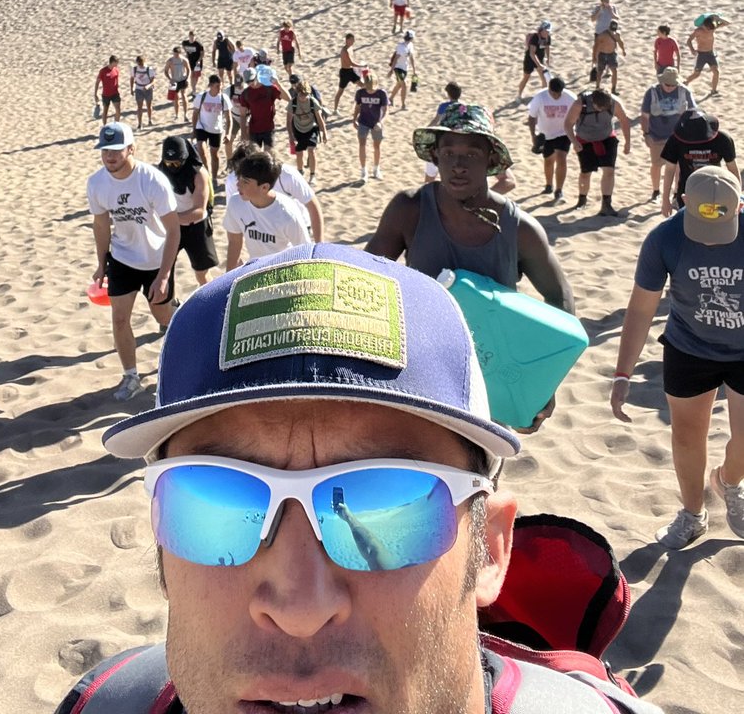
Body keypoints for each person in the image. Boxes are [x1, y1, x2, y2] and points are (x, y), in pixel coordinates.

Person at [57, 245, 659, 714]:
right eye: (214, 501)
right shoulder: (101, 702)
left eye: (386, 504)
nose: (299, 606)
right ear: (161, 539)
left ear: (490, 552)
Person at [367, 105, 574, 430]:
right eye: (448, 153)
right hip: (420, 373)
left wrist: (543, 382)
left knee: (483, 475)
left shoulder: (520, 230)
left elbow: (559, 297)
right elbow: (367, 281)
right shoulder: (409, 210)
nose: (458, 166)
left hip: (490, 378)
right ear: (435, 157)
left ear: (491, 161)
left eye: (471, 155)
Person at [611, 167, 744, 548]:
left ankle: (728, 481)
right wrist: (623, 374)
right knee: (687, 436)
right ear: (683, 203)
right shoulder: (663, 239)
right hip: (689, 347)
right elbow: (640, 310)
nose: (714, 244)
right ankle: (692, 513)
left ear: (740, 205)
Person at [87, 122, 181, 399]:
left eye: (116, 150)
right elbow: (101, 225)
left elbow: (174, 230)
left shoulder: (152, 180)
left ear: (131, 149)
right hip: (122, 258)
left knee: (162, 316)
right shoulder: (97, 183)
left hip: (156, 259)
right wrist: (101, 263)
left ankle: (179, 312)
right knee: (119, 319)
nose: (110, 157)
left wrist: (164, 276)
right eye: (105, 151)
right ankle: (131, 377)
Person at [223, 149, 311, 269]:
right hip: (256, 269)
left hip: (284, 270)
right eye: (239, 179)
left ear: (264, 187)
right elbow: (234, 243)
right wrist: (229, 280)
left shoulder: (288, 213)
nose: (238, 185)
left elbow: (305, 253)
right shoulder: (235, 203)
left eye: (245, 182)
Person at [227, 142, 324, 243]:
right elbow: (233, 220)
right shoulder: (233, 181)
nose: (240, 180)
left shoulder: (286, 175)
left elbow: (312, 205)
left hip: (295, 227)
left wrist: (319, 244)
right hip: (263, 228)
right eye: (239, 173)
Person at [157, 136, 218, 288]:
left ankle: (210, 299)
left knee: (201, 273)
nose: (172, 166)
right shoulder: (160, 172)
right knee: (164, 269)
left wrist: (170, 219)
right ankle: (169, 305)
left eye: (177, 163)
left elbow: (198, 211)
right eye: (168, 162)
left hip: (196, 226)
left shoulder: (198, 174)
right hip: (172, 226)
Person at [563, 88, 632, 216]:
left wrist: (628, 142)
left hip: (606, 137)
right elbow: (568, 124)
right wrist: (574, 141)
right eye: (598, 107)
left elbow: (624, 120)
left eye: (603, 108)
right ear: (592, 101)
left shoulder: (614, 103)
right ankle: (582, 200)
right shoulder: (580, 104)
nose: (600, 110)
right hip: (584, 139)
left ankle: (606, 204)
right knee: (586, 172)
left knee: (609, 171)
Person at [660, 109, 739, 218]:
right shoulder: (675, 140)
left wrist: (737, 196)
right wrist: (665, 200)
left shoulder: (722, 139)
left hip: (716, 192)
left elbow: (733, 169)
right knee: (689, 226)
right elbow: (669, 170)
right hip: (687, 192)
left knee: (715, 224)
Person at [639, 67, 697, 202]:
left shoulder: (684, 92)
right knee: (657, 164)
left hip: (678, 136)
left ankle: (676, 192)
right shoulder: (652, 92)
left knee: (678, 165)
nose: (670, 87)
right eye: (667, 84)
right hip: (657, 135)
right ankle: (655, 191)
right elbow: (645, 116)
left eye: (673, 84)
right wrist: (646, 134)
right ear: (661, 82)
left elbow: (693, 112)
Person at [526, 76, 576, 201]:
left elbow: (578, 114)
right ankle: (549, 185)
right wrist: (533, 135)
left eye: (558, 93)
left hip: (564, 133)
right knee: (548, 161)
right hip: (546, 134)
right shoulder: (540, 97)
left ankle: (559, 190)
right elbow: (532, 118)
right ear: (549, 89)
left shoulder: (570, 98)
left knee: (561, 157)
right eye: (553, 93)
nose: (555, 96)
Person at [191, 74, 232, 185]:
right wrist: (194, 130)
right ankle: (207, 173)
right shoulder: (201, 97)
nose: (219, 89)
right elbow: (195, 114)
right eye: (217, 86)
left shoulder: (224, 98)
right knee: (201, 150)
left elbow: (229, 119)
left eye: (221, 86)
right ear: (211, 86)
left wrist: (228, 133)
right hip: (202, 127)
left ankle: (214, 177)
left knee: (214, 154)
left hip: (216, 130)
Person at [286, 77, 327, 183]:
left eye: (305, 95)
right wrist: (290, 136)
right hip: (298, 129)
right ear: (297, 93)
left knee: (311, 150)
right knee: (299, 152)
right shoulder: (293, 103)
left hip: (311, 128)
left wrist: (324, 133)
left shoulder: (313, 102)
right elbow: (288, 121)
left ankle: (312, 175)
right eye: (301, 95)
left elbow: (319, 118)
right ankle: (300, 172)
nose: (303, 97)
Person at [353, 70, 389, 182]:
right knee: (362, 145)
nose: (370, 90)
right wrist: (354, 119)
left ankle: (376, 169)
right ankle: (364, 171)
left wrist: (381, 121)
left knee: (377, 146)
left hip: (376, 123)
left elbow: (386, 109)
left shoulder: (381, 94)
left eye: (372, 88)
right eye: (368, 88)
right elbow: (357, 107)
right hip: (363, 121)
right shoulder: (360, 93)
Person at [239, 66, 284, 149]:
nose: (250, 83)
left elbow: (288, 98)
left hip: (268, 128)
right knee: (256, 158)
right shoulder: (245, 94)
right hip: (254, 130)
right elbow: (242, 115)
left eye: (252, 80)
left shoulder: (269, 88)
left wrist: (278, 84)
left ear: (257, 76)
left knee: (269, 156)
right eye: (248, 82)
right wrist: (243, 134)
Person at [685, 14, 728, 94]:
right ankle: (685, 83)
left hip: (710, 54)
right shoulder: (698, 31)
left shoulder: (712, 28)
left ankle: (714, 90)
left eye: (710, 29)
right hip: (701, 55)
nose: (709, 30)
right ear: (704, 25)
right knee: (696, 74)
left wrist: (718, 18)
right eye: (708, 28)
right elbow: (689, 40)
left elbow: (726, 23)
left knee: (716, 72)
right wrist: (692, 50)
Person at [517, 21, 551, 98]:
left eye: (549, 31)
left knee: (544, 79)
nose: (547, 33)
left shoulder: (548, 37)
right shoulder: (535, 38)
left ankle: (543, 96)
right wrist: (539, 65)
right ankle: (519, 95)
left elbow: (547, 47)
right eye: (546, 31)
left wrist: (548, 58)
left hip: (540, 59)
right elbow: (532, 53)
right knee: (526, 77)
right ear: (542, 30)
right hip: (529, 60)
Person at [332, 33, 364, 114]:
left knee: (363, 85)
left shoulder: (351, 48)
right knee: (340, 91)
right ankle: (335, 110)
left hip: (351, 71)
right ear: (347, 40)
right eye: (352, 40)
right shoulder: (344, 51)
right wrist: (361, 65)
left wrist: (358, 68)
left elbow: (353, 62)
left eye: (353, 40)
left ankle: (361, 106)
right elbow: (350, 63)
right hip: (345, 73)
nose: (353, 41)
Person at [388, 29, 417, 111]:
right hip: (398, 68)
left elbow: (411, 58)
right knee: (404, 85)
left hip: (405, 68)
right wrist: (391, 70)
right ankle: (403, 105)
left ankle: (390, 98)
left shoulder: (410, 45)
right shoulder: (400, 46)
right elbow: (396, 59)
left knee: (399, 85)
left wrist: (414, 69)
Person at [593, 20, 625, 93]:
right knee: (600, 72)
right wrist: (594, 56)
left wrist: (623, 50)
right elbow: (596, 46)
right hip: (602, 54)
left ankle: (613, 89)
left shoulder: (617, 35)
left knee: (614, 71)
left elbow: (620, 42)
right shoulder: (602, 35)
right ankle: (597, 87)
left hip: (612, 54)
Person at [164, 47, 192, 122]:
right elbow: (166, 71)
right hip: (174, 81)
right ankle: (177, 115)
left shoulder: (184, 60)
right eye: (174, 54)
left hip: (183, 80)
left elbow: (189, 70)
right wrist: (170, 79)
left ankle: (185, 114)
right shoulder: (170, 61)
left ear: (180, 53)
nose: (176, 55)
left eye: (177, 54)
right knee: (175, 98)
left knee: (184, 96)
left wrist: (188, 79)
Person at [130, 55, 157, 129]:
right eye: (139, 64)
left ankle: (149, 120)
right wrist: (131, 88)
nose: (140, 65)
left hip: (148, 89)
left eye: (141, 63)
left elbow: (154, 80)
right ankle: (140, 123)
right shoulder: (134, 69)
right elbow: (132, 78)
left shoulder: (149, 69)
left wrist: (149, 85)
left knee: (149, 105)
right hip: (138, 89)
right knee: (139, 107)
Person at [95, 55, 122, 126]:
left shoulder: (116, 69)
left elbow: (116, 79)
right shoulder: (103, 71)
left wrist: (117, 85)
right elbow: (97, 82)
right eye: (116, 63)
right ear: (112, 62)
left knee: (118, 110)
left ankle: (116, 125)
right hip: (106, 94)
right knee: (105, 111)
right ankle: (104, 126)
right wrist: (95, 93)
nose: (117, 64)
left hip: (115, 93)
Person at [181, 31, 205, 95]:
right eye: (191, 36)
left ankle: (194, 87)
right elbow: (183, 46)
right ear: (189, 36)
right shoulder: (185, 43)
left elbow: (202, 54)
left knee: (196, 76)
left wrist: (199, 60)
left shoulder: (198, 45)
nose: (192, 38)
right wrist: (186, 53)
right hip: (190, 61)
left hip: (197, 62)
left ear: (195, 37)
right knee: (192, 75)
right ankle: (193, 89)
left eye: (193, 36)